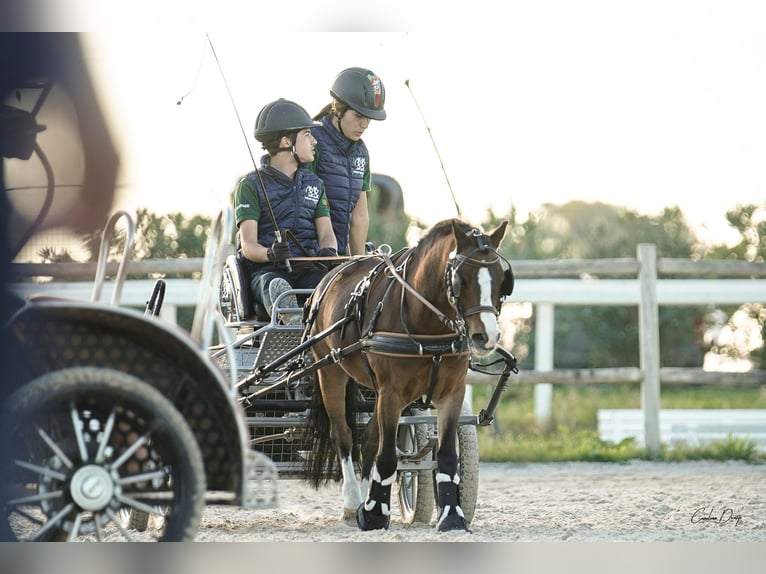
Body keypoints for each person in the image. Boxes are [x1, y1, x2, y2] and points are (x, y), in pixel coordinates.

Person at [234, 98, 338, 324]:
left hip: (309, 269)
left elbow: (327, 233)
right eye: (307, 135)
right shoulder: (249, 186)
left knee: (332, 287)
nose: (314, 142)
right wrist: (270, 254)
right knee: (272, 284)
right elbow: (248, 245)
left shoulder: (315, 184)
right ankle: (288, 312)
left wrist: (329, 250)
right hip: (267, 271)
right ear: (285, 141)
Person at [310, 67, 386, 255]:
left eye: (369, 118)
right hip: (309, 256)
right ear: (338, 107)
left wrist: (358, 263)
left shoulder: (361, 153)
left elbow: (360, 216)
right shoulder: (312, 141)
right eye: (359, 116)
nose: (364, 125)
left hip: (338, 257)